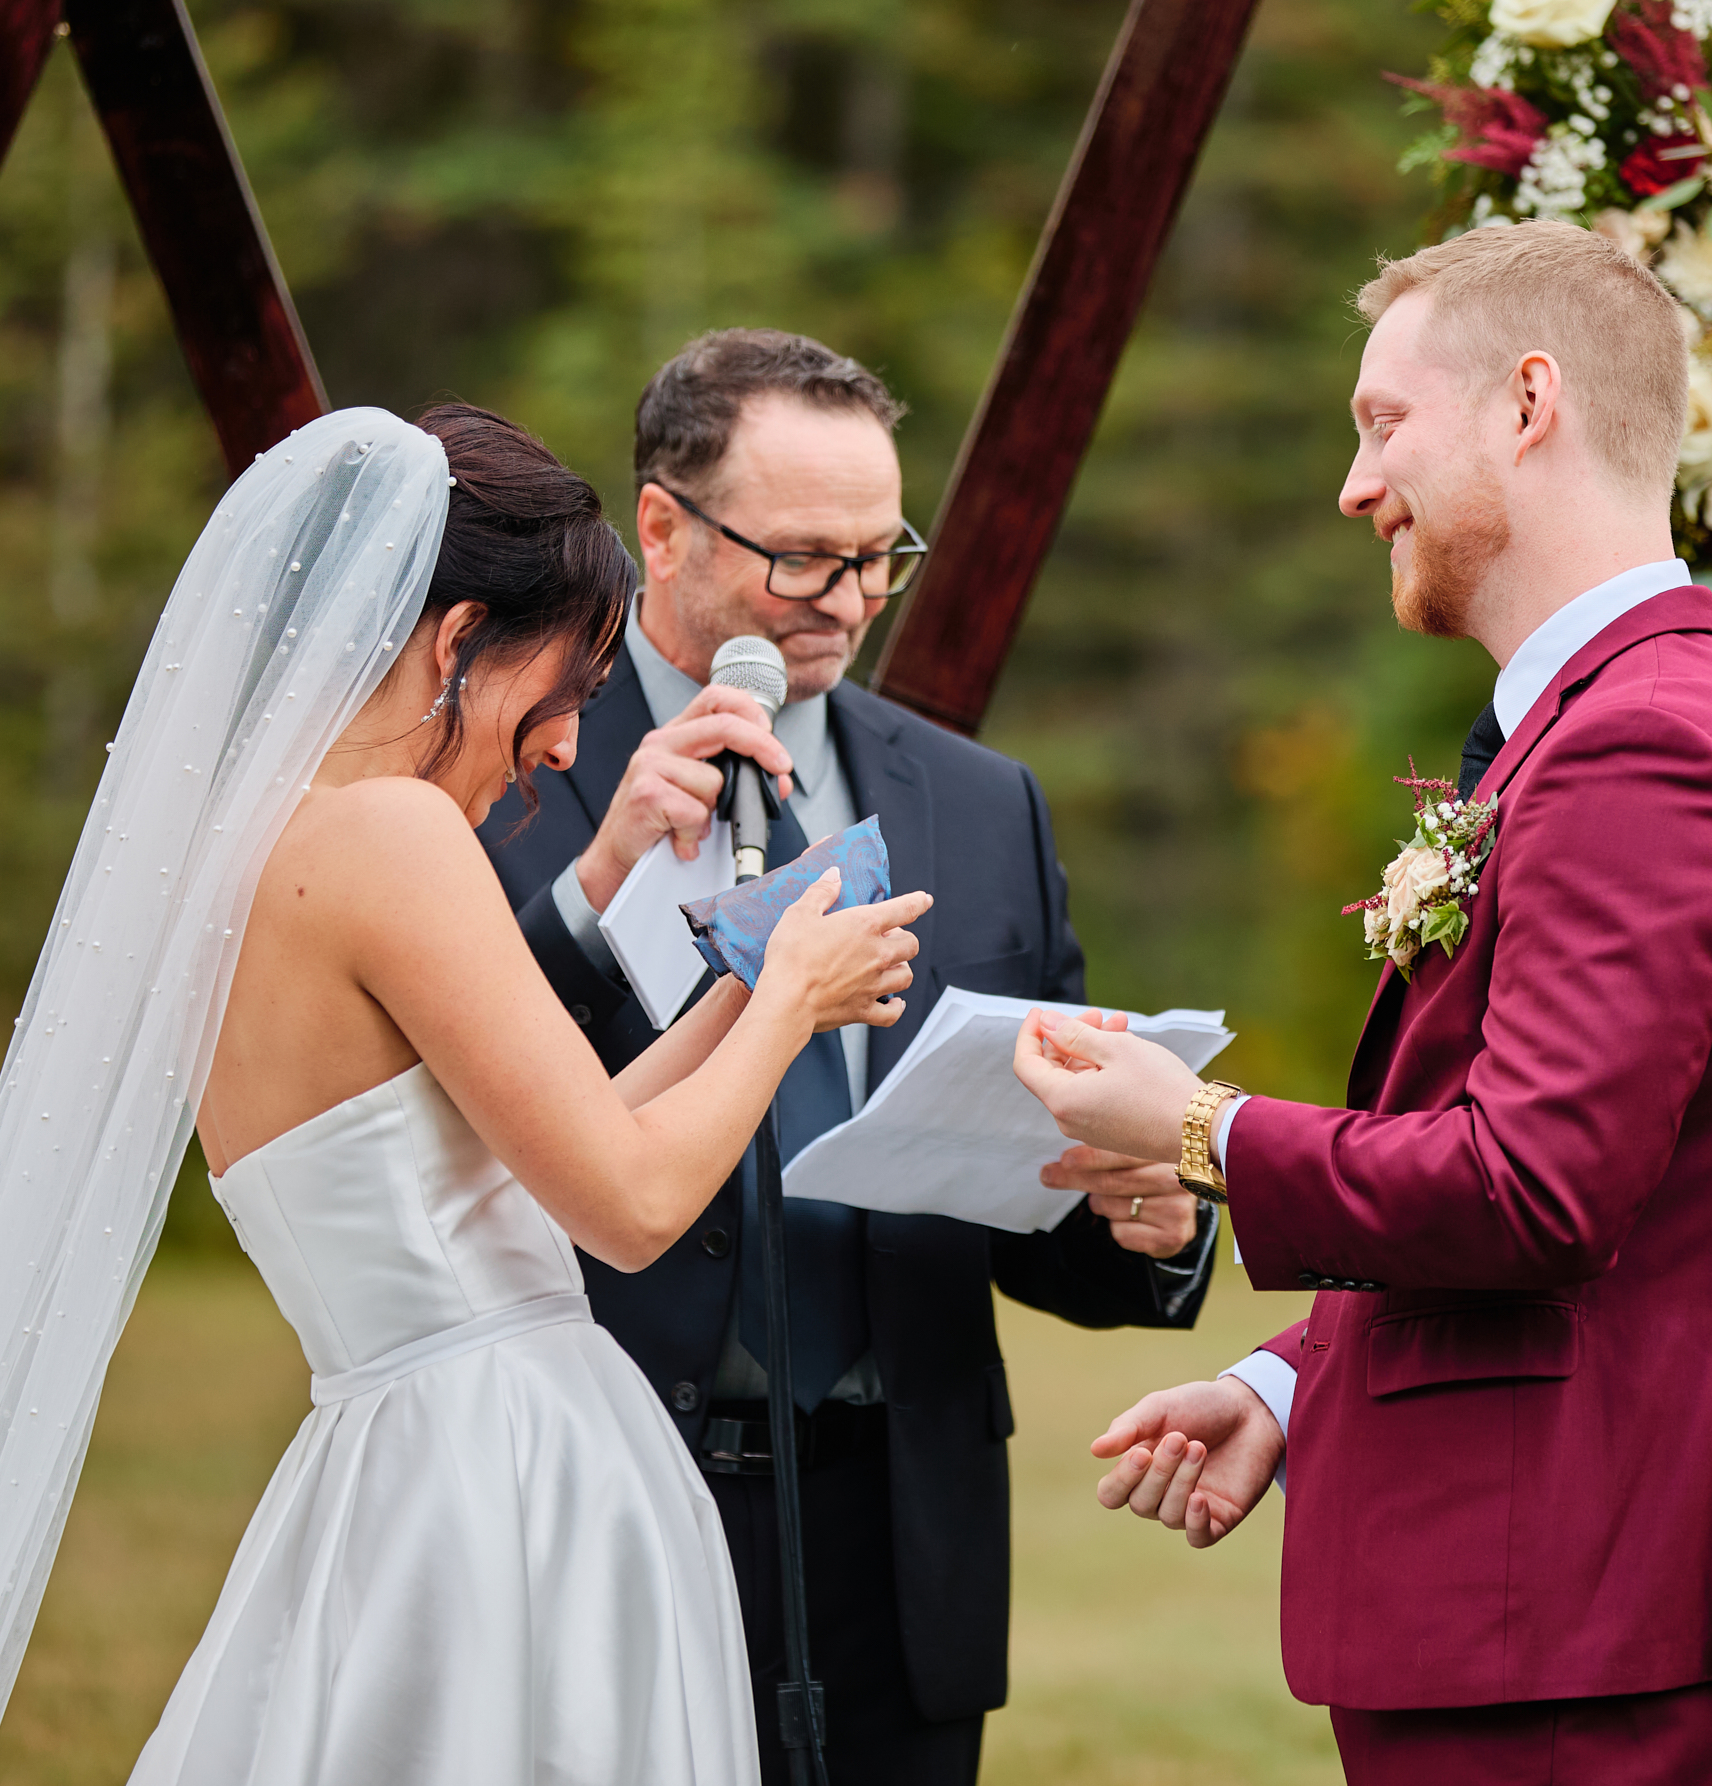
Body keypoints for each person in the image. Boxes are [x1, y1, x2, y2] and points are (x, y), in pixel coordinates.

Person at [0, 402, 930, 1786]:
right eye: (564, 687)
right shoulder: (391, 835)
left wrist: (750, 984)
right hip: (501, 1477)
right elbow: (629, 1204)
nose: (565, 747)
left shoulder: (253, 853)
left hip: (400, 1456)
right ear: (454, 640)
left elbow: (566, 1141)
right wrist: (791, 997)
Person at [1010, 222, 1712, 1783]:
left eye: (1383, 423)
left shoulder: (1639, 749)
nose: (1353, 485)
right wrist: (1293, 1380)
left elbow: (1534, 1189)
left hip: (1563, 1599)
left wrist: (1198, 1128)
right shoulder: (1610, 722)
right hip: (1545, 1585)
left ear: (1529, 404)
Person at [479, 328, 1217, 1783]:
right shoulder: (520, 762)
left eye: (885, 556)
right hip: (622, 1483)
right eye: (806, 558)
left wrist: (1157, 1217)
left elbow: (1030, 1187)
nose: (853, 602)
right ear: (662, 528)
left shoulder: (981, 801)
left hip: (908, 1529)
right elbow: (450, 1112)